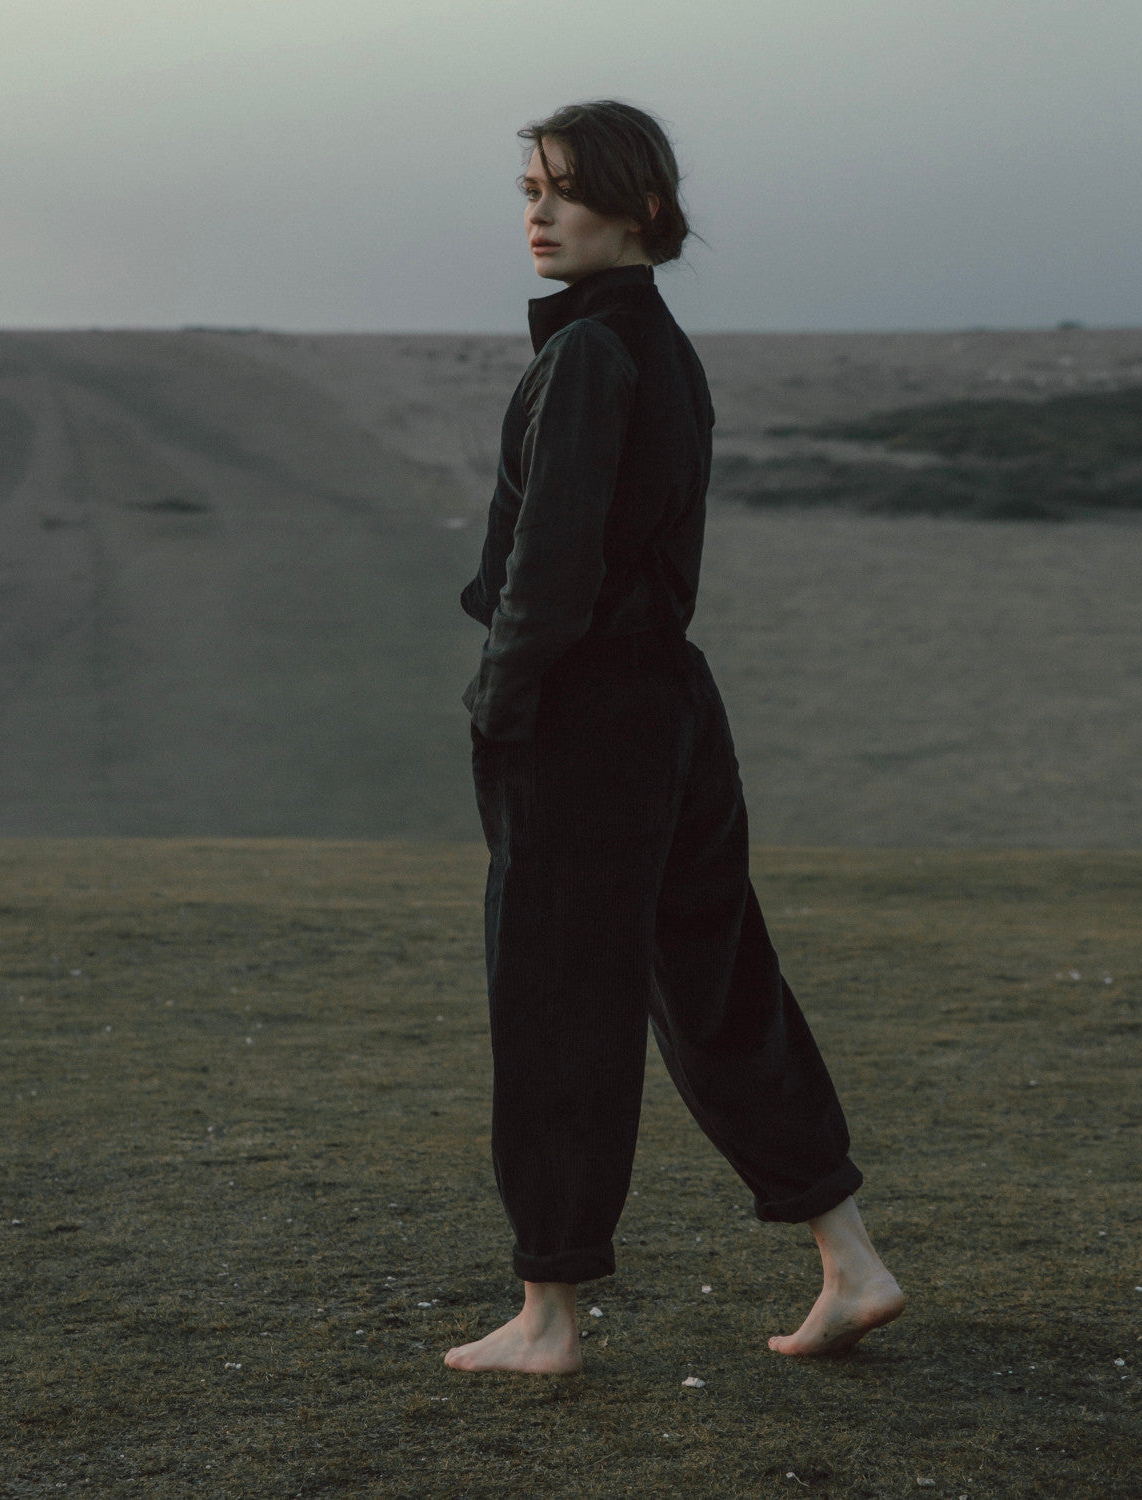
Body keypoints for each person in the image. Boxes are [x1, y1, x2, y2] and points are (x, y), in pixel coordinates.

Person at [447, 100, 904, 1375]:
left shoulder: (591, 354)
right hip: (670, 708)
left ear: (640, 209)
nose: (537, 214)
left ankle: (548, 1317)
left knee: (553, 1001)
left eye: (564, 191)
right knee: (715, 982)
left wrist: (500, 706)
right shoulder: (661, 346)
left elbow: (553, 571)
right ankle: (851, 1259)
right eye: (528, 189)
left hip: (586, 714)